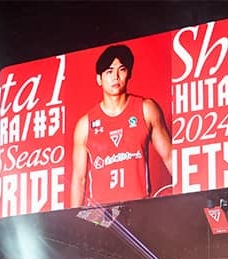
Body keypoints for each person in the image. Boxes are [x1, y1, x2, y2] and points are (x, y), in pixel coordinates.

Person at [70, 44, 173, 207]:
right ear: (99, 79)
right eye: (109, 72)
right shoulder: (85, 125)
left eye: (122, 70)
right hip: (102, 214)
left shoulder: (146, 109)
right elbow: (78, 179)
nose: (115, 77)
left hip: (139, 209)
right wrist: (73, 220)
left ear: (129, 73)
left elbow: (170, 157)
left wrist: (190, 199)